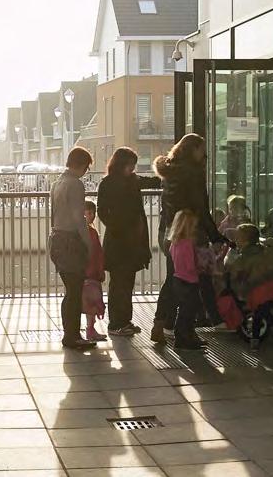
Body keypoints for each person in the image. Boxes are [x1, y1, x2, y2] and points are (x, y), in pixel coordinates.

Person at [152, 134, 227, 343]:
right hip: (190, 230)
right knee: (193, 280)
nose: (204, 153)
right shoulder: (192, 173)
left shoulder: (170, 171)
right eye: (202, 149)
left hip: (171, 231)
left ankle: (162, 323)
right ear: (193, 149)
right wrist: (215, 235)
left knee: (174, 279)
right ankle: (186, 330)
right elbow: (201, 207)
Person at [95, 147, 162, 337]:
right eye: (130, 164)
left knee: (125, 282)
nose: (132, 168)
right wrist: (118, 226)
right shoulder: (112, 183)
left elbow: (102, 211)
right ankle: (117, 323)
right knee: (120, 283)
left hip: (127, 240)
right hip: (122, 240)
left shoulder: (121, 181)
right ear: (122, 164)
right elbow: (102, 210)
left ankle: (124, 321)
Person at [49, 147, 97, 350]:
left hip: (57, 239)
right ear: (82, 165)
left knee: (70, 290)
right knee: (75, 290)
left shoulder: (57, 183)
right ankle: (72, 335)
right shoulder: (75, 185)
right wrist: (88, 243)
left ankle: (70, 333)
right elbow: (79, 219)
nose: (86, 171)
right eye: (86, 167)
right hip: (70, 241)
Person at [224, 223, 273, 351]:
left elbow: (235, 270)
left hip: (259, 289)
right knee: (262, 313)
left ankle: (257, 341)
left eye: (238, 237)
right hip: (269, 288)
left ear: (245, 239)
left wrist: (229, 272)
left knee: (259, 314)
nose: (236, 240)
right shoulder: (263, 250)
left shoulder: (245, 255)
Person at [168, 209, 207, 351]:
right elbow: (191, 265)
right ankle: (185, 338)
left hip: (178, 279)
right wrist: (201, 267)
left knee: (184, 310)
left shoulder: (174, 243)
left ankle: (183, 337)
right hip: (190, 281)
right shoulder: (188, 243)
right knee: (190, 311)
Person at [83, 201, 107, 341]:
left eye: (93, 213)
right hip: (92, 273)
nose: (92, 216)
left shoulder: (84, 232)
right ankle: (90, 329)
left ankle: (89, 329)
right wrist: (100, 270)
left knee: (87, 302)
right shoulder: (91, 233)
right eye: (89, 213)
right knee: (92, 302)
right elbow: (97, 253)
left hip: (87, 272)